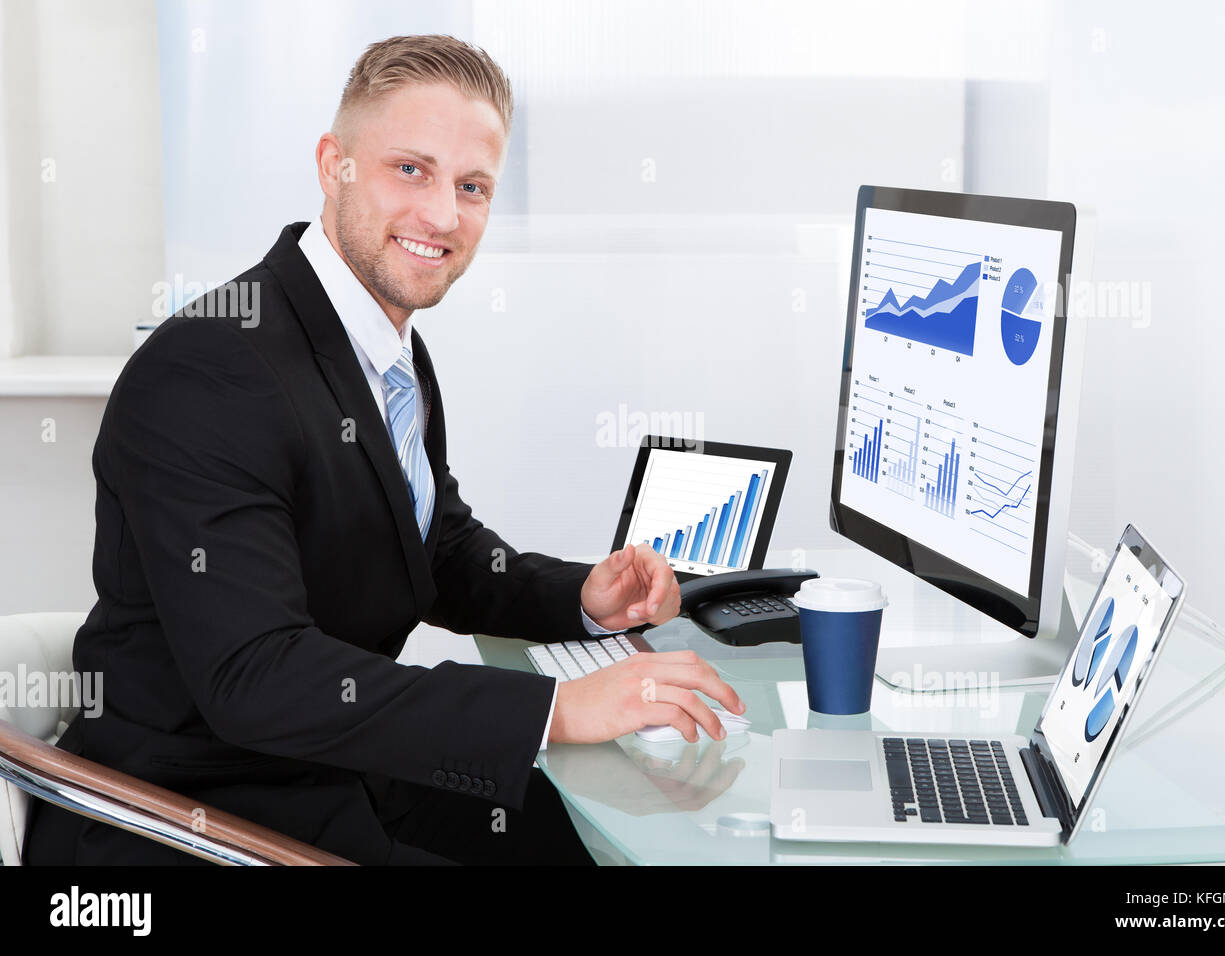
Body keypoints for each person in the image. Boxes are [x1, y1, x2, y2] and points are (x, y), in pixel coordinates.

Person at [23, 33, 744, 866]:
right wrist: (555, 708)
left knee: (593, 841)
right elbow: (256, 674)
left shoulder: (384, 343)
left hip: (329, 771)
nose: (443, 215)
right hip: (193, 811)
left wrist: (581, 597)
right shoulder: (212, 366)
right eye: (412, 169)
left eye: (472, 186)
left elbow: (427, 541)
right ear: (336, 165)